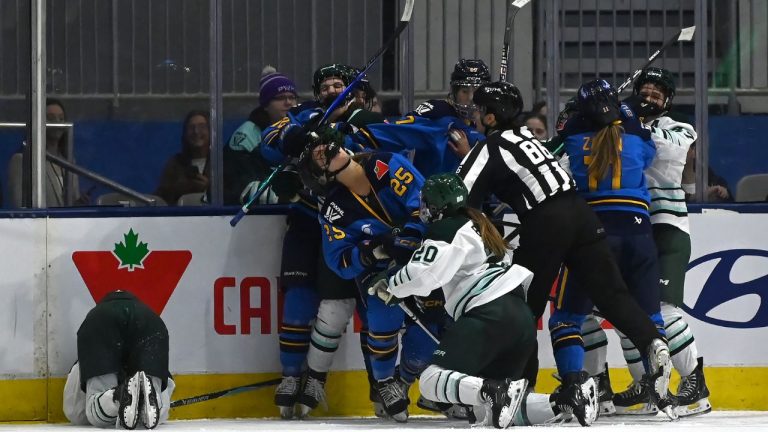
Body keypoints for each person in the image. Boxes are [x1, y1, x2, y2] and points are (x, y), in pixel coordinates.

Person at [455, 80, 674, 422]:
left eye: (480, 112)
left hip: (546, 222)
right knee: (613, 294)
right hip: (582, 215)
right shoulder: (530, 138)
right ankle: (651, 342)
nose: (476, 116)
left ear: (492, 118)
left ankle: (518, 389)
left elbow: (459, 195)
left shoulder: (489, 147)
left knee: (524, 308)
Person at [367, 172, 600, 428]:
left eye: (425, 203)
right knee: (483, 412)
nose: (422, 209)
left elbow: (424, 274)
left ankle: (492, 388)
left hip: (489, 314)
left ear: (436, 206)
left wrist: (391, 285)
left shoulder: (447, 227)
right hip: (519, 318)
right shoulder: (480, 223)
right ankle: (567, 399)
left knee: (431, 381)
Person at [590, 67, 708, 417]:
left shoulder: (679, 128)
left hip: (668, 228)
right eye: (646, 91)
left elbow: (665, 153)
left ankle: (695, 382)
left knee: (664, 308)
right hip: (633, 229)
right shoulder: (620, 125)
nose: (650, 97)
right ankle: (645, 381)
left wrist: (623, 114)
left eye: (658, 94)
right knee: (626, 310)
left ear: (667, 102)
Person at [555, 78, 675, 419]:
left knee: (568, 317)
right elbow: (650, 155)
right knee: (649, 315)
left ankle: (575, 388)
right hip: (639, 232)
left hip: (593, 232)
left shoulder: (574, 133)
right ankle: (656, 384)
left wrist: (565, 123)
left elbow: (548, 161)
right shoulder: (636, 132)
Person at [297, 129, 432, 422]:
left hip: (428, 255)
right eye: (317, 156)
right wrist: (372, 252)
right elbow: (339, 260)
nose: (323, 150)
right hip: (385, 270)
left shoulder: (386, 164)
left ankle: (414, 380)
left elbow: (423, 200)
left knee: (438, 321)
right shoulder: (334, 211)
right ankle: (385, 383)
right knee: (382, 307)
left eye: (324, 147)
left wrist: (409, 236)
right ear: (323, 177)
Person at [62, 290, 174, 429]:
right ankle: (150, 398)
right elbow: (166, 378)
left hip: (100, 321)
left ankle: (118, 396)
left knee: (84, 413)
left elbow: (74, 411)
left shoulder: (99, 315)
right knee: (159, 412)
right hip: (150, 321)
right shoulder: (147, 313)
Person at [224, 66, 298, 205]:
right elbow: (233, 181)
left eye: (292, 97)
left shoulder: (301, 130)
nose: (288, 102)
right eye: (280, 98)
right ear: (265, 105)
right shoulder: (246, 135)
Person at [7, 98, 83, 207]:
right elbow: (19, 206)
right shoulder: (22, 160)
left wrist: (78, 204)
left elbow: (71, 204)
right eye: (51, 118)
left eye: (61, 119)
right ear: (38, 122)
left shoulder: (69, 161)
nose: (57, 123)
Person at [154, 110, 210, 205]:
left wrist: (209, 187)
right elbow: (161, 198)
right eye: (191, 128)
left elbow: (230, 194)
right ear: (185, 133)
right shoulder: (175, 164)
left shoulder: (221, 162)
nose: (196, 131)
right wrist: (184, 187)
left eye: (202, 127)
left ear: (211, 132)